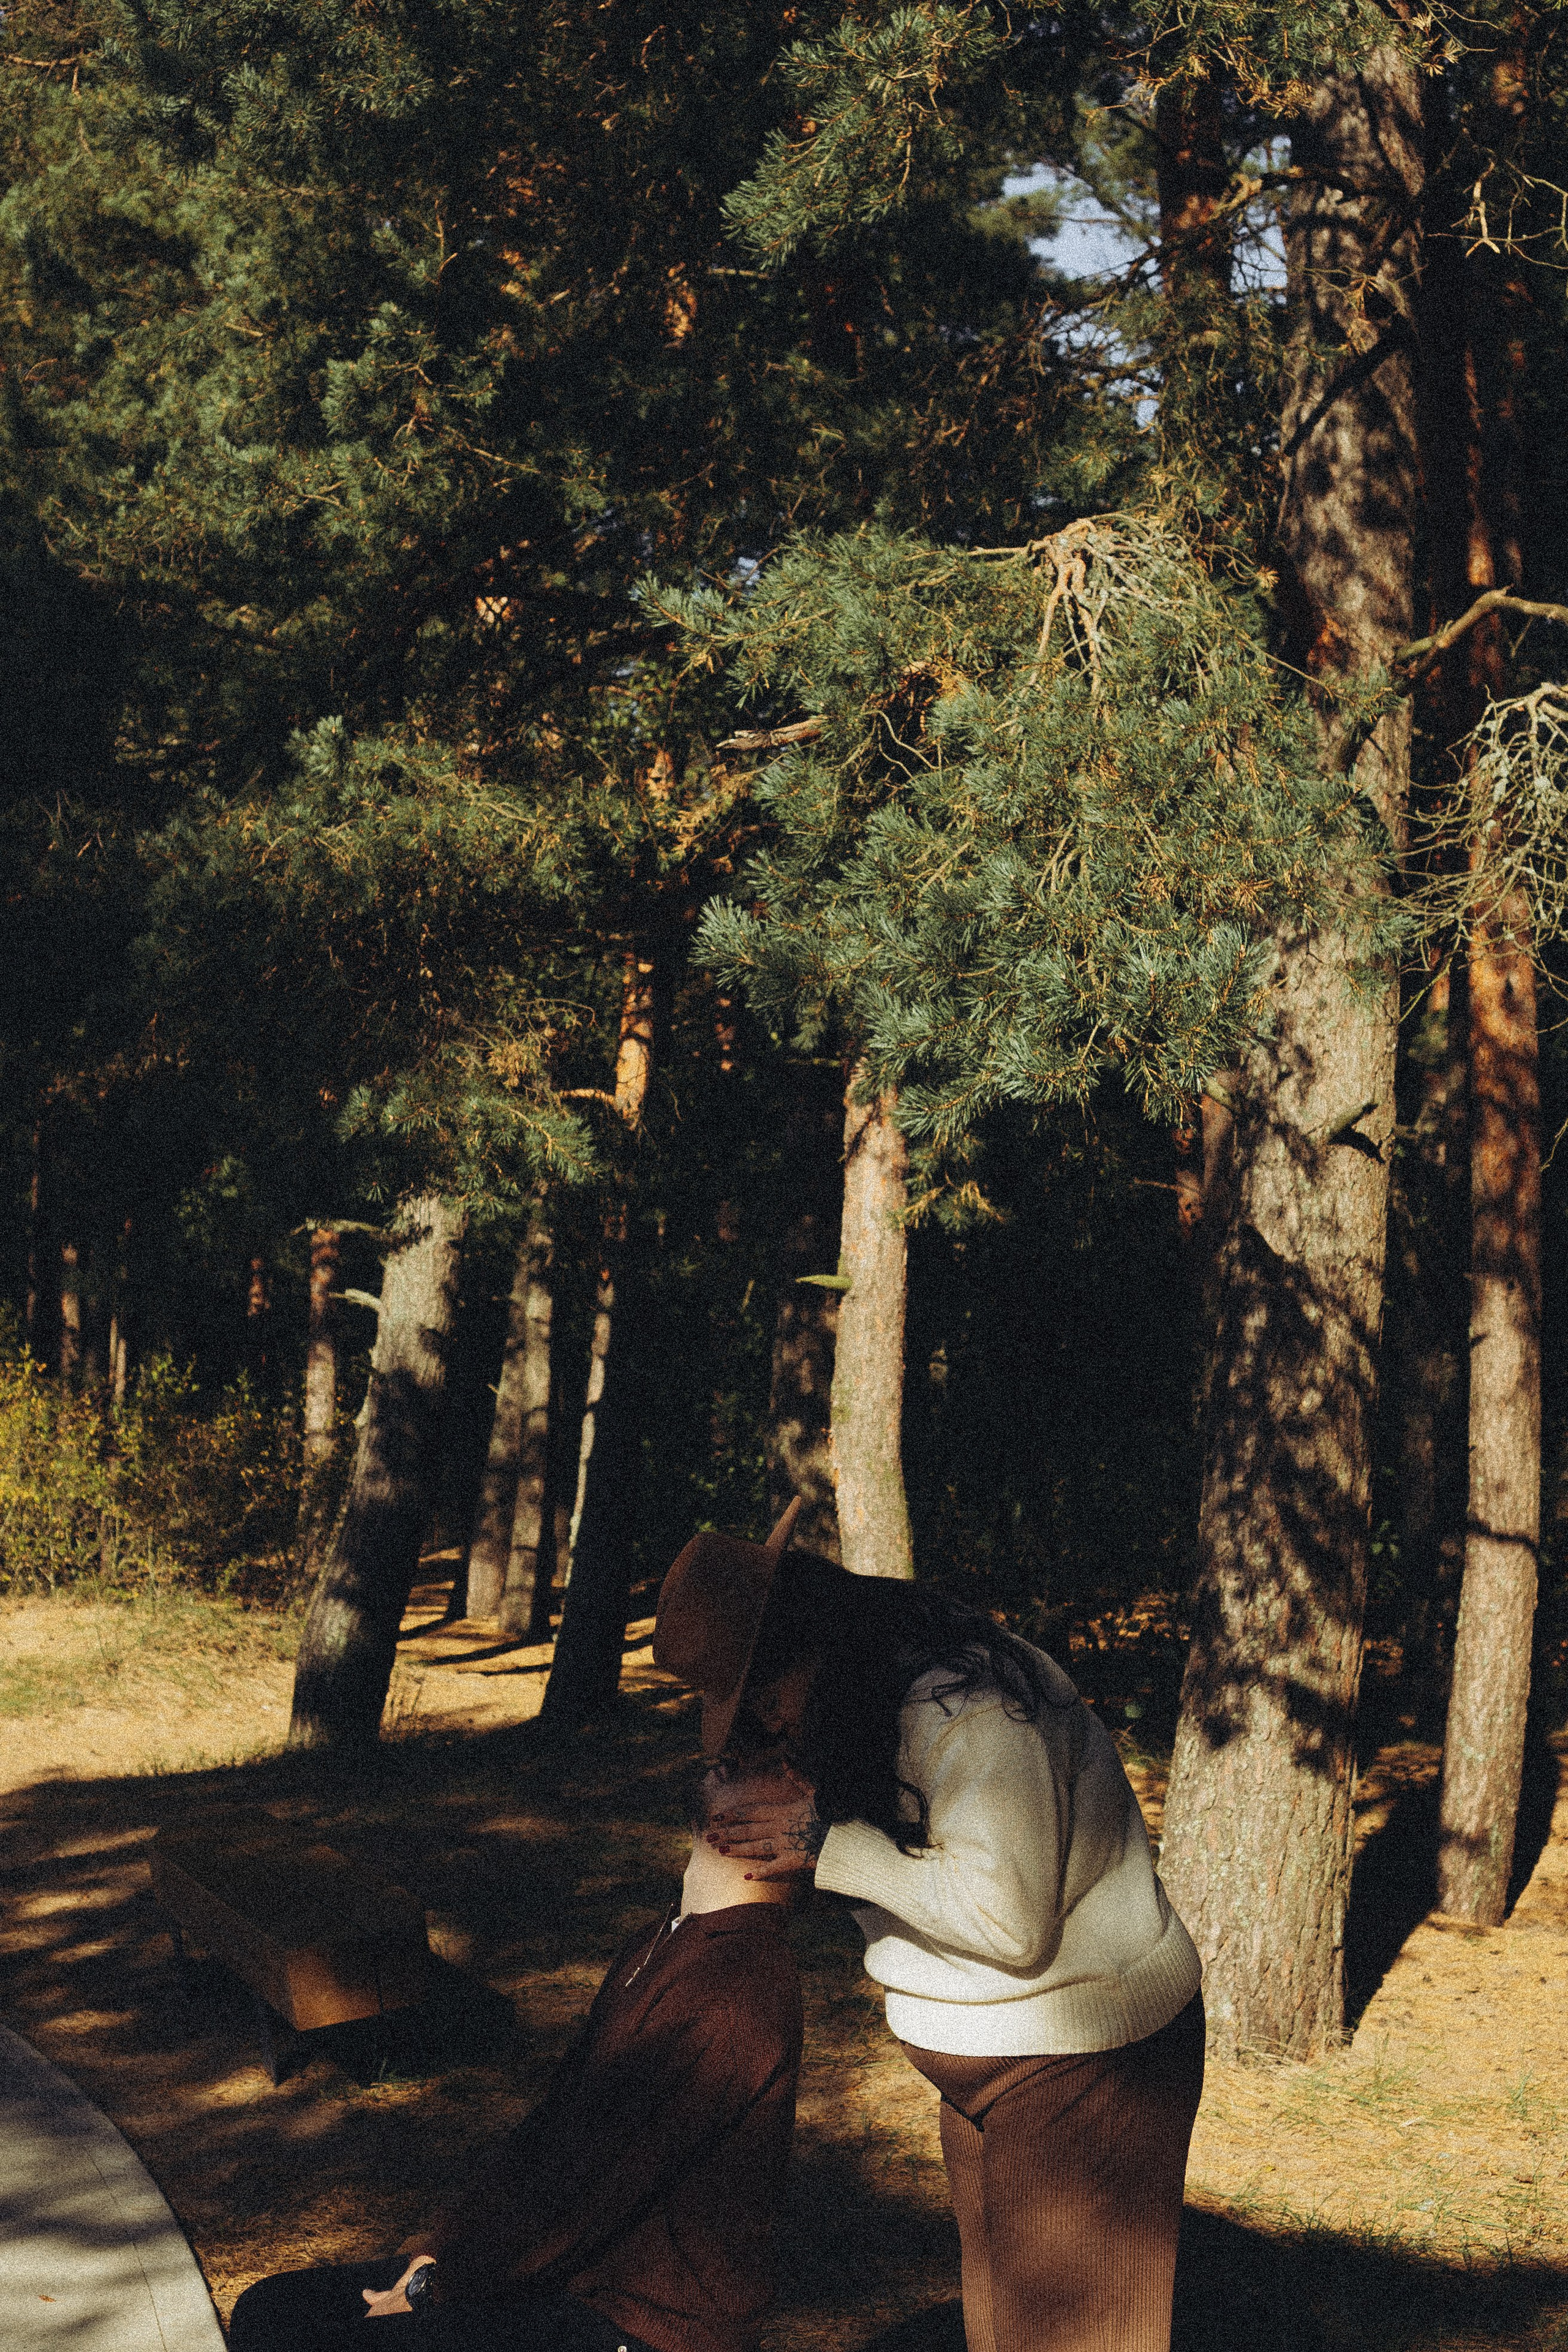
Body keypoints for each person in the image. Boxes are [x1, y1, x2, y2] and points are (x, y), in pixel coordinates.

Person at [653, 1499, 1205, 2352]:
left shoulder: (972, 1711)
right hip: (992, 2069)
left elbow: (1009, 1923)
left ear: (814, 1645)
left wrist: (828, 1847)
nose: (766, 1724)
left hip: (1087, 2065)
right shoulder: (865, 1704)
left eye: (763, 1697)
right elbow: (915, 1876)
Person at [228, 1760, 805, 2352]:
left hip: (640, 2325)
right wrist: (440, 2248)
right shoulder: (670, 1940)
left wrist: (436, 2286)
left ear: (802, 1818)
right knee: (275, 2310)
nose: (756, 1752)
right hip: (565, 2275)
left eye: (790, 1761)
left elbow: (590, 2187)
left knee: (308, 2337)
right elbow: (552, 2139)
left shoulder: (737, 1984)